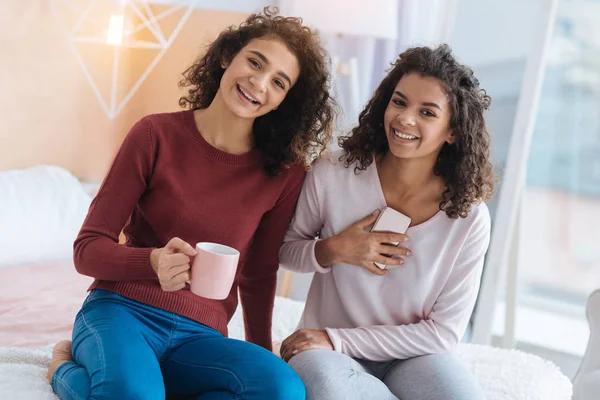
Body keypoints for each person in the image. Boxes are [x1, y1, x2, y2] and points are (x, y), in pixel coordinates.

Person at [47, 7, 336, 400]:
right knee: (134, 396)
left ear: (283, 101)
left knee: (280, 389)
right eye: (254, 61)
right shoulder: (155, 135)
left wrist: (258, 349)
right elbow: (87, 250)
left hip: (200, 336)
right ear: (225, 57)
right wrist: (150, 261)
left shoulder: (283, 175)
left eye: (279, 82)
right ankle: (63, 368)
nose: (259, 82)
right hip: (120, 311)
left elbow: (259, 274)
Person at [278, 44, 494, 400]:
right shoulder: (334, 173)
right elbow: (286, 252)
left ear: (452, 131)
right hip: (327, 354)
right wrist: (334, 249)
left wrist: (339, 337)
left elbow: (443, 333)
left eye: (427, 112)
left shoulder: (469, 216)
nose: (405, 119)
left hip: (413, 357)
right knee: (323, 384)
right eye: (399, 102)